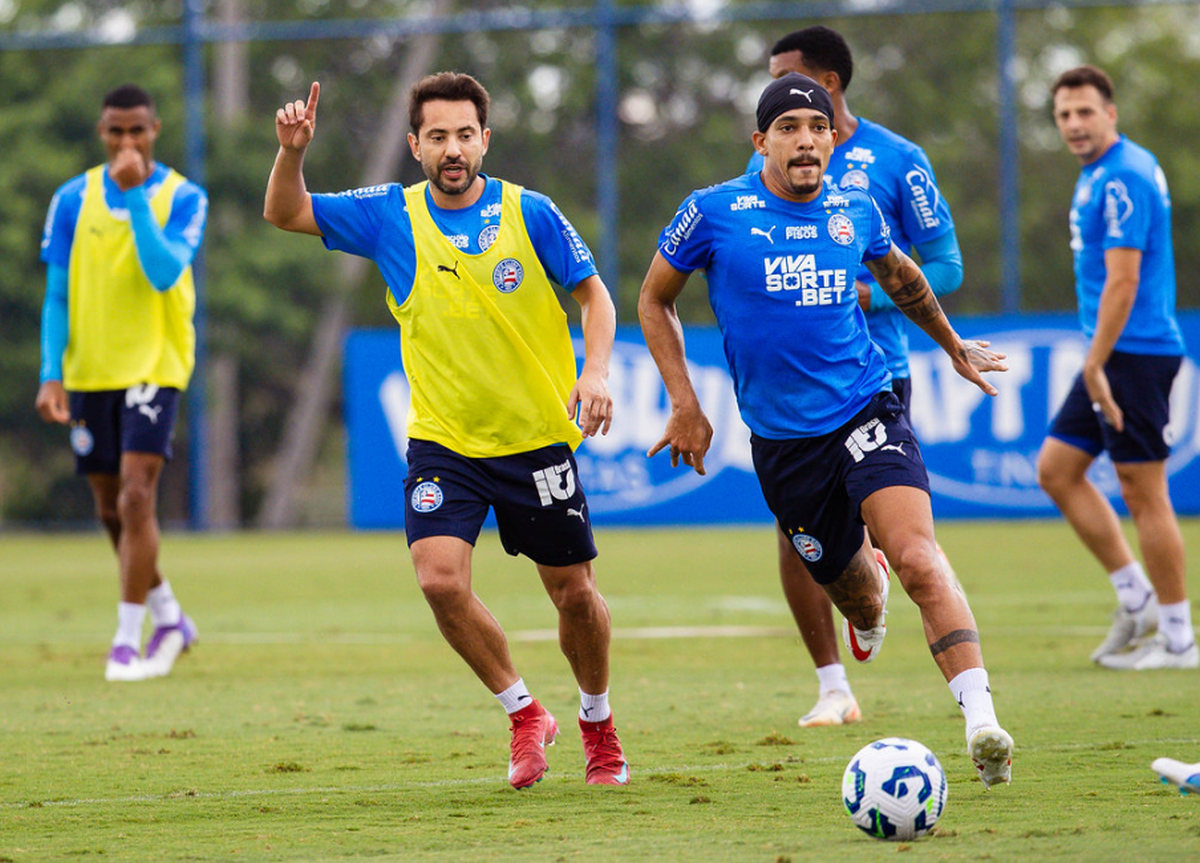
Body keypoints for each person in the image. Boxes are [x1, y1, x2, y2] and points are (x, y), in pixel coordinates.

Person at [638, 73, 1014, 788]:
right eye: (788, 128)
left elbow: (903, 276)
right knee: (862, 596)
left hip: (866, 406)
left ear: (833, 138)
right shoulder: (712, 213)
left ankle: (981, 720)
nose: (806, 139)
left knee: (919, 558)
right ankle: (863, 592)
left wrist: (952, 345)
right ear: (762, 143)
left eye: (817, 126)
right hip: (783, 444)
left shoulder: (857, 206)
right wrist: (684, 401)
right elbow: (654, 299)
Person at [264, 72, 628, 788]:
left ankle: (597, 721)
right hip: (444, 443)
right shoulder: (388, 216)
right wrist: (291, 151)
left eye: (465, 135)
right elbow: (285, 212)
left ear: (485, 140)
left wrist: (596, 372)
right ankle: (524, 712)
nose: (453, 148)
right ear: (415, 145)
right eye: (438, 137)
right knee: (437, 581)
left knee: (575, 594)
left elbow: (596, 296)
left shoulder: (533, 213)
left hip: (535, 440)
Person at [746, 26, 965, 728]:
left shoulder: (898, 160)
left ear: (830, 83)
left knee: (899, 533)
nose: (779, 92)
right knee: (794, 533)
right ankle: (832, 683)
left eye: (789, 76)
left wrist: (857, 290)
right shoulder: (775, 159)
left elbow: (948, 266)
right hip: (790, 383)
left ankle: (962, 680)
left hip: (875, 374)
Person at [36, 84, 205, 683]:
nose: (126, 141)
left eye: (137, 130)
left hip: (154, 368)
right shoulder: (69, 199)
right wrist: (50, 373)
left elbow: (162, 274)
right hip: (89, 374)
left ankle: (128, 640)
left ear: (156, 128)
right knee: (111, 510)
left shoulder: (184, 197)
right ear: (102, 131)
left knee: (137, 497)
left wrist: (134, 195)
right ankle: (170, 616)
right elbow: (56, 295)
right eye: (116, 131)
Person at [1037, 65, 1196, 671]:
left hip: (1133, 353)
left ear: (1111, 113)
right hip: (1113, 352)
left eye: (1085, 112)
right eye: (1063, 115)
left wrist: (1097, 362)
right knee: (1056, 468)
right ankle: (1138, 598)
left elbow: (1124, 281)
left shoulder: (1124, 174)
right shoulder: (1100, 173)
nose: (1074, 124)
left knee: (1144, 492)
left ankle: (1179, 639)